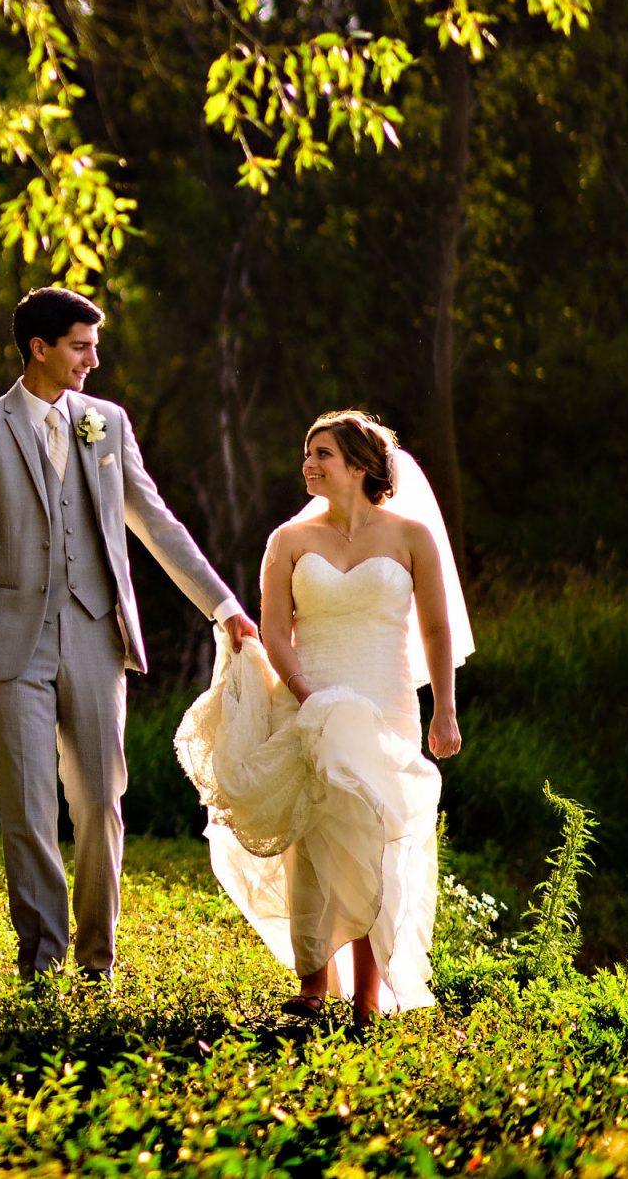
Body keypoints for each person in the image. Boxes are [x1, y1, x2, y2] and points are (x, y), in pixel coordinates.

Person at [0, 286, 259, 980]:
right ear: (40, 348)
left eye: (94, 346)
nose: (93, 360)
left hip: (95, 636)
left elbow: (157, 522)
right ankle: (42, 961)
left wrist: (222, 605)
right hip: (10, 647)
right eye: (81, 346)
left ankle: (96, 963)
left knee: (100, 803)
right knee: (28, 809)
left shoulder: (106, 423)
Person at [175, 411, 471, 1021]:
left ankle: (369, 992)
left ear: (359, 466)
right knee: (310, 839)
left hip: (385, 702)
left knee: (373, 835)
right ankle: (314, 983)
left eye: (322, 454)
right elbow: (275, 632)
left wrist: (444, 708)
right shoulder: (288, 541)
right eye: (307, 453)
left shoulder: (411, 536)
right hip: (306, 695)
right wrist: (306, 693)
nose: (308, 464)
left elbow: (437, 630)